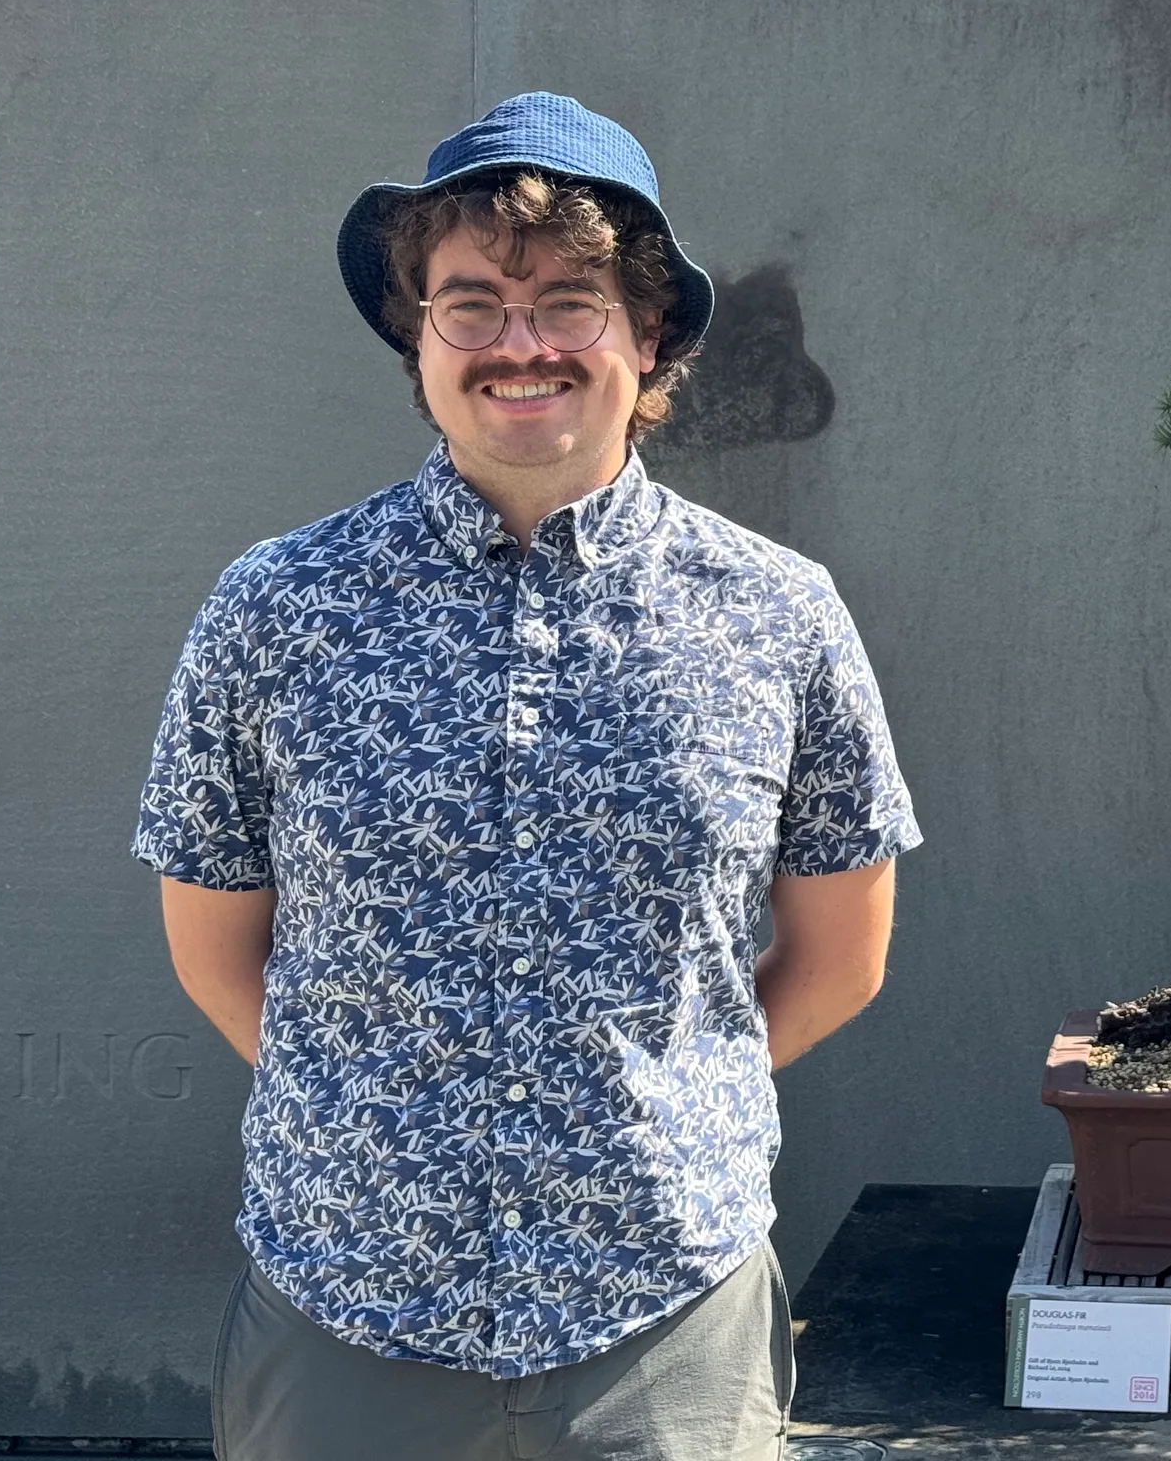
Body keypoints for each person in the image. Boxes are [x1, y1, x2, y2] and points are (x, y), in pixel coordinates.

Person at [133, 91, 919, 1461]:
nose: (521, 343)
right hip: (344, 1320)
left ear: (649, 333)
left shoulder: (778, 616)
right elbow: (214, 949)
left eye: (571, 300)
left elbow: (843, 956)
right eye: (472, 302)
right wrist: (382, 1105)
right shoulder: (274, 609)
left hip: (664, 1325)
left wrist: (641, 1102)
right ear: (416, 335)